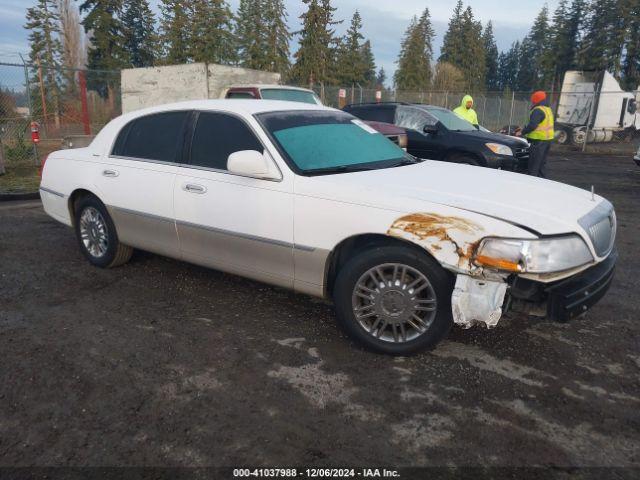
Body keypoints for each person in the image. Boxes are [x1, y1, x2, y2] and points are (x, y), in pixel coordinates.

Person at [520, 90, 554, 177]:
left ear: (536, 100)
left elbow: (532, 125)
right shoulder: (547, 109)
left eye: (533, 100)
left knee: (533, 166)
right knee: (541, 165)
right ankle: (542, 184)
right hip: (547, 141)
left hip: (539, 142)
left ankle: (532, 185)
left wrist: (522, 132)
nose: (532, 102)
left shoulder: (538, 110)